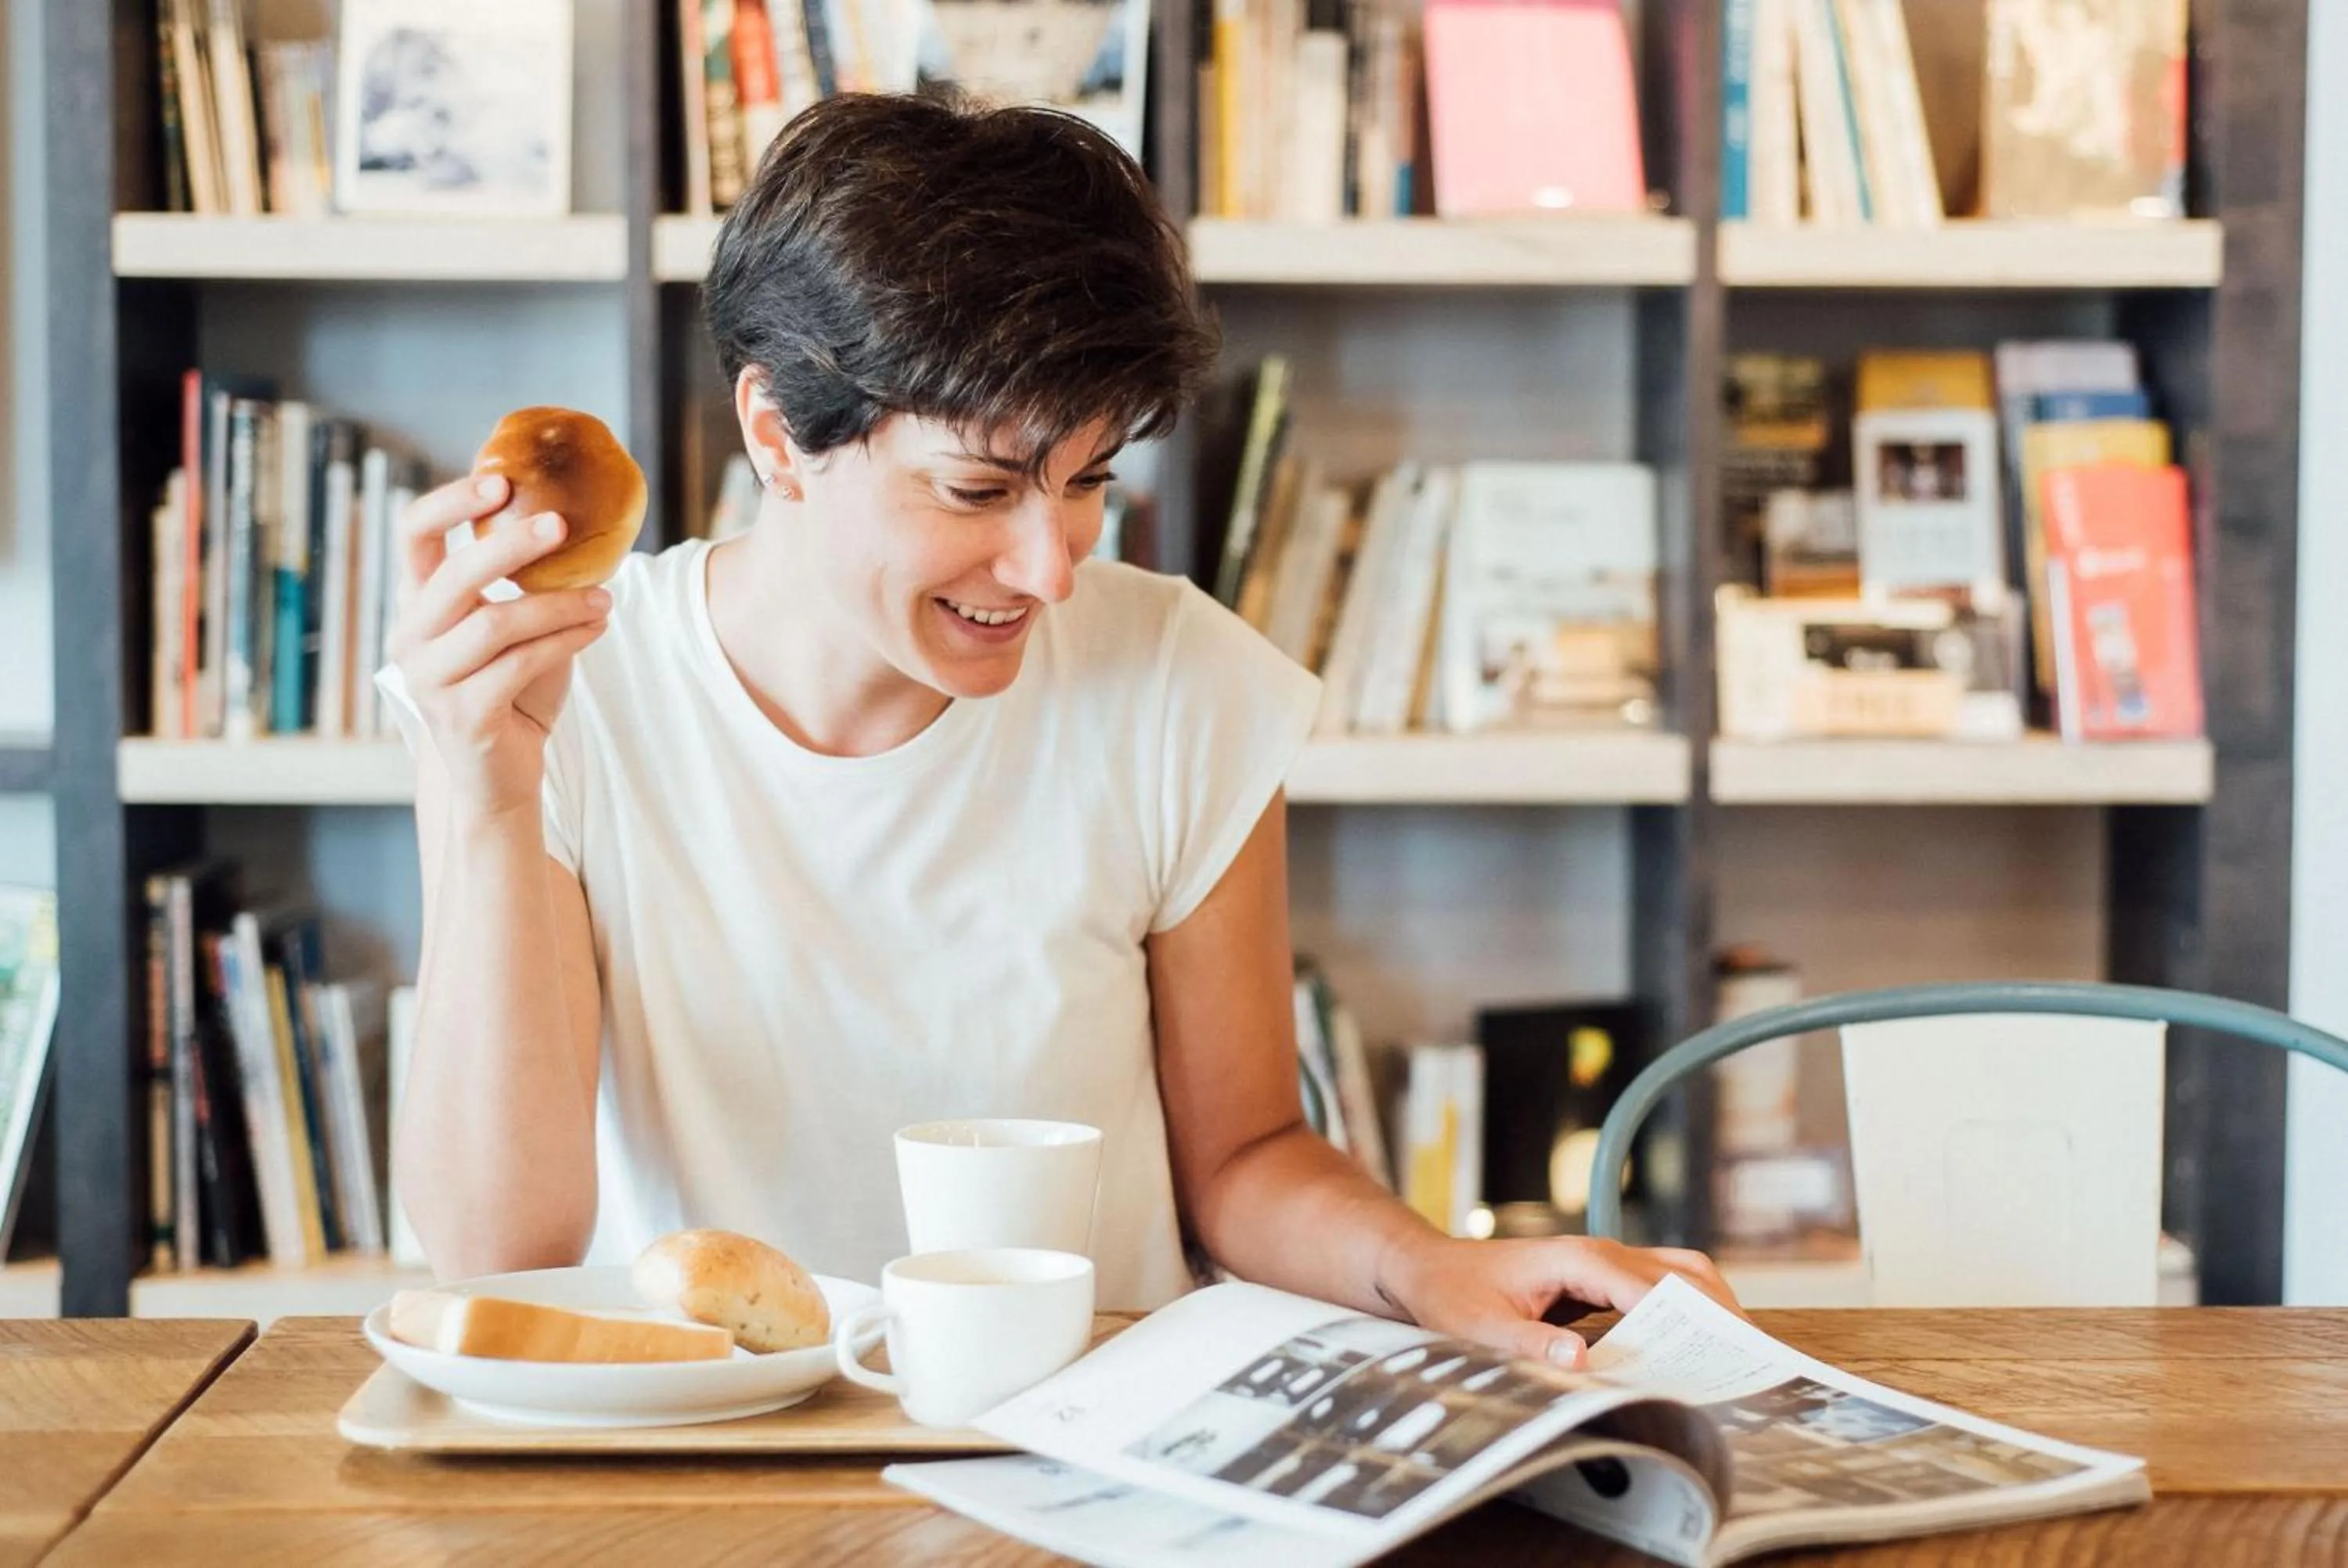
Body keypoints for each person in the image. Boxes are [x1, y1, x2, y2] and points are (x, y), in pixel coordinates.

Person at [380, 91, 1738, 1366]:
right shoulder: (556, 687)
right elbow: (500, 1249)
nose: (1050, 570)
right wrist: (487, 793)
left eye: (1087, 480)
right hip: (707, 1438)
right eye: (978, 490)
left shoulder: (1179, 681)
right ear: (780, 434)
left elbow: (1244, 1157)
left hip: (1085, 1427)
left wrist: (1428, 1268)